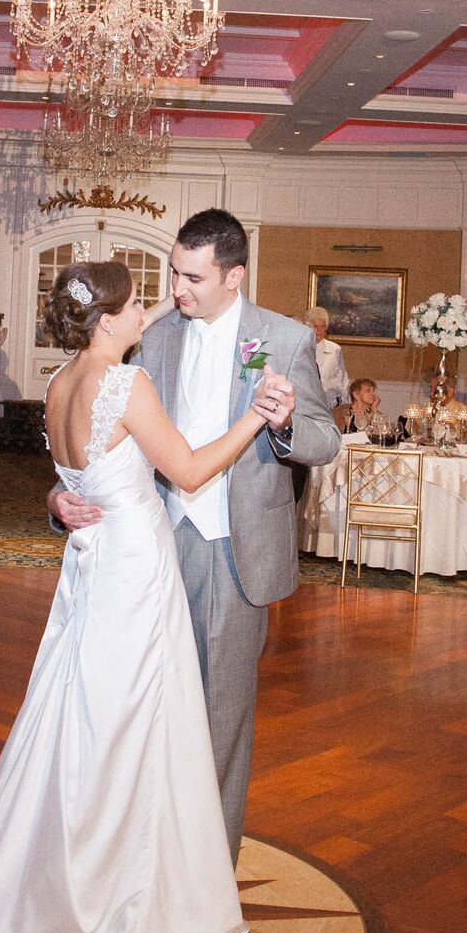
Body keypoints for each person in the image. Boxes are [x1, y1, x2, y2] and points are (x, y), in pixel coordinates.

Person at [0, 260, 290, 933]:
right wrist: (255, 414)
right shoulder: (125, 384)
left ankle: (69, 854)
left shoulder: (63, 381)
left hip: (89, 568)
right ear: (105, 319)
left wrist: (54, 502)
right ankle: (112, 878)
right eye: (134, 310)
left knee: (80, 710)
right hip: (131, 570)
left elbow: (74, 476)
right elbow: (185, 472)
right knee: (127, 717)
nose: (146, 318)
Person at [51, 207, 338, 862]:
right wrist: (61, 496)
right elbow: (92, 427)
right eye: (173, 273)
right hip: (150, 546)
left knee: (220, 715)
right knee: (139, 701)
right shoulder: (152, 334)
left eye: (192, 277)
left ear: (234, 276)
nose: (175, 290)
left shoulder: (284, 338)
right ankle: (135, 845)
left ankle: (203, 864)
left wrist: (286, 422)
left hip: (234, 551)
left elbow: (322, 441)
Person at [303, 305, 349, 407]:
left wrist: (343, 402)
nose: (319, 330)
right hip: (306, 402)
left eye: (322, 326)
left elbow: (342, 378)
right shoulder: (301, 348)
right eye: (315, 326)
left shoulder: (335, 349)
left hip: (329, 402)